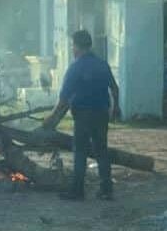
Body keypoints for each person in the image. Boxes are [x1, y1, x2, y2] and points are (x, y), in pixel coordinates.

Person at [42, 29, 120, 201]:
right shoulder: (102, 64)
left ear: (77, 46)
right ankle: (106, 189)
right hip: (101, 114)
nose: (72, 49)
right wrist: (116, 108)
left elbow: (63, 99)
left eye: (72, 46)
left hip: (83, 115)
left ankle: (77, 191)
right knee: (101, 151)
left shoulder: (75, 67)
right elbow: (115, 88)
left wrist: (51, 118)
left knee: (80, 152)